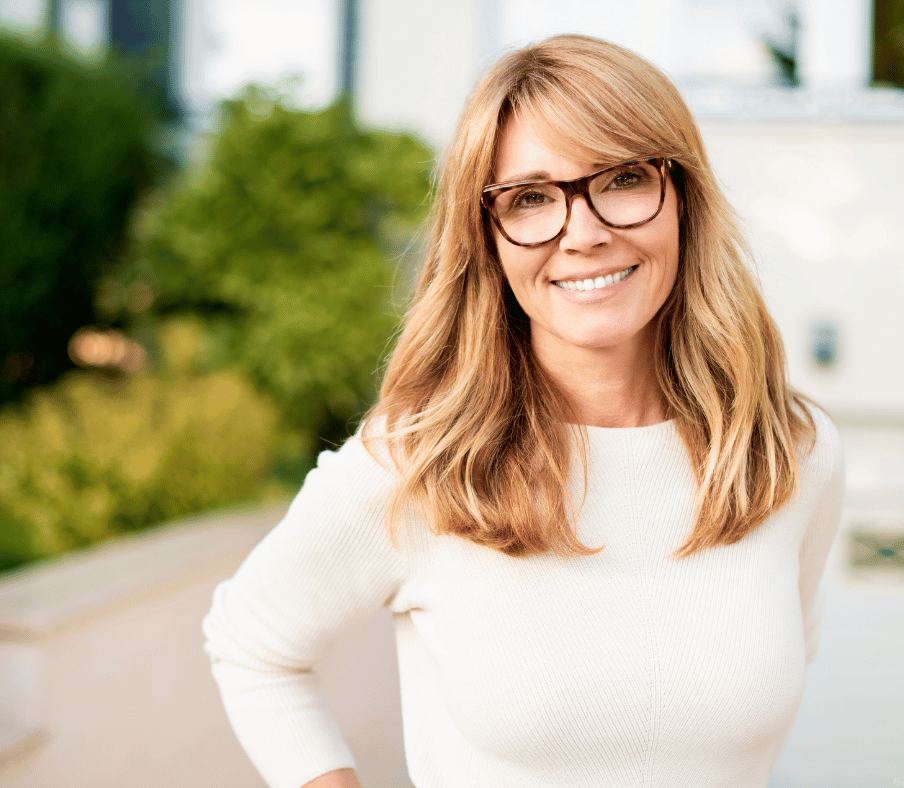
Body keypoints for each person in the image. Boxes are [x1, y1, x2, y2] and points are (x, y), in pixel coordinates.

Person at [203, 34, 844, 788]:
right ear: (488, 238)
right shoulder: (421, 463)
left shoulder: (790, 453)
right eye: (531, 198)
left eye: (624, 178)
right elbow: (252, 645)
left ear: (684, 200)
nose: (585, 233)